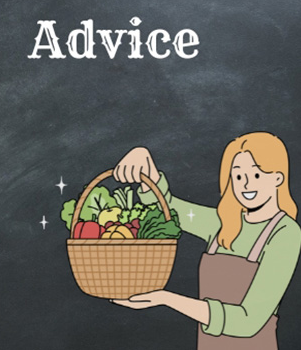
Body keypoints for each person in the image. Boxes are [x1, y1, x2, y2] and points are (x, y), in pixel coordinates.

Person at [111, 132, 300, 349]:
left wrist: (166, 298)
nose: (246, 184)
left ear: (278, 177)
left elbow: (249, 321)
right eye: (237, 176)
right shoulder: (223, 223)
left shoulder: (286, 233)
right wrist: (147, 170)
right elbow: (170, 208)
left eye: (256, 175)